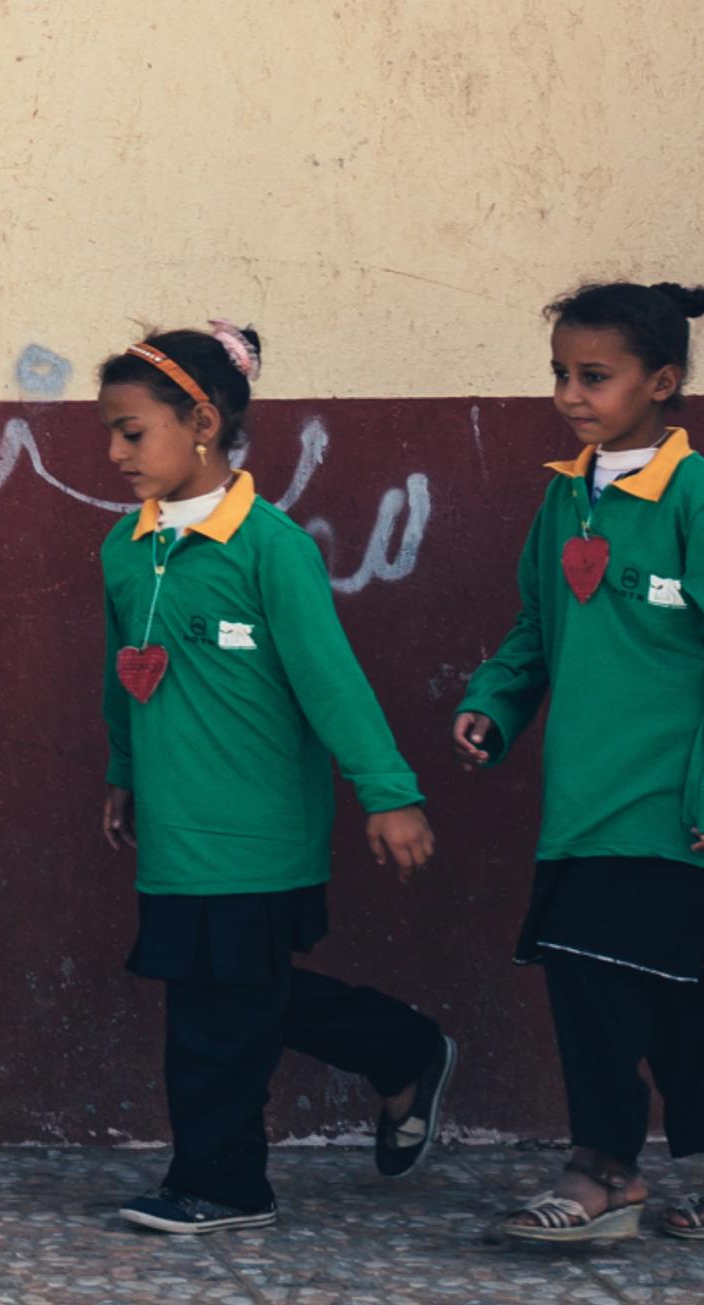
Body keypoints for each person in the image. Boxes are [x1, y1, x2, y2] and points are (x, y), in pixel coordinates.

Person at [92, 322, 454, 1237]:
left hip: (259, 825)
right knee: (233, 994)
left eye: (132, 432)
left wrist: (388, 790)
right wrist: (124, 770)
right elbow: (118, 671)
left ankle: (223, 1185)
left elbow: (330, 678)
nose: (115, 453)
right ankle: (405, 1047)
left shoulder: (269, 546)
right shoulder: (125, 549)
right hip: (175, 826)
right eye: (110, 434)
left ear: (202, 423)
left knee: (216, 1017)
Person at [457, 281, 704, 1244]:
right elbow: (537, 625)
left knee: (598, 979)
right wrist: (494, 702)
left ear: (663, 381)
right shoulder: (565, 496)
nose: (570, 394)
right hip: (582, 797)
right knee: (675, 990)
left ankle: (602, 1172)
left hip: (675, 803)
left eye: (594, 376)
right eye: (560, 373)